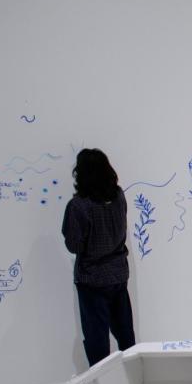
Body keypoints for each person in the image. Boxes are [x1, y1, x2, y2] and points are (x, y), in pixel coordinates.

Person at [62, 148, 136, 368]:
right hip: (118, 273)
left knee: (97, 340)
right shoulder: (118, 196)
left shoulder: (79, 206)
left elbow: (73, 244)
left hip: (92, 279)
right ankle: (133, 379)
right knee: (125, 334)